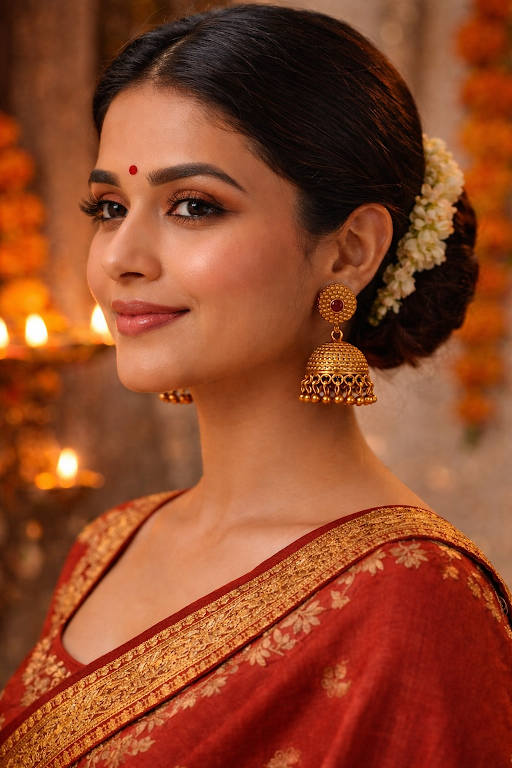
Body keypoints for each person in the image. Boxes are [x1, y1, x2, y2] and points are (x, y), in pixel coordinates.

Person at [0, 5, 511, 766]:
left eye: (194, 207)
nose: (119, 258)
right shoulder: (107, 545)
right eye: (109, 208)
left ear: (349, 251)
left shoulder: (417, 602)